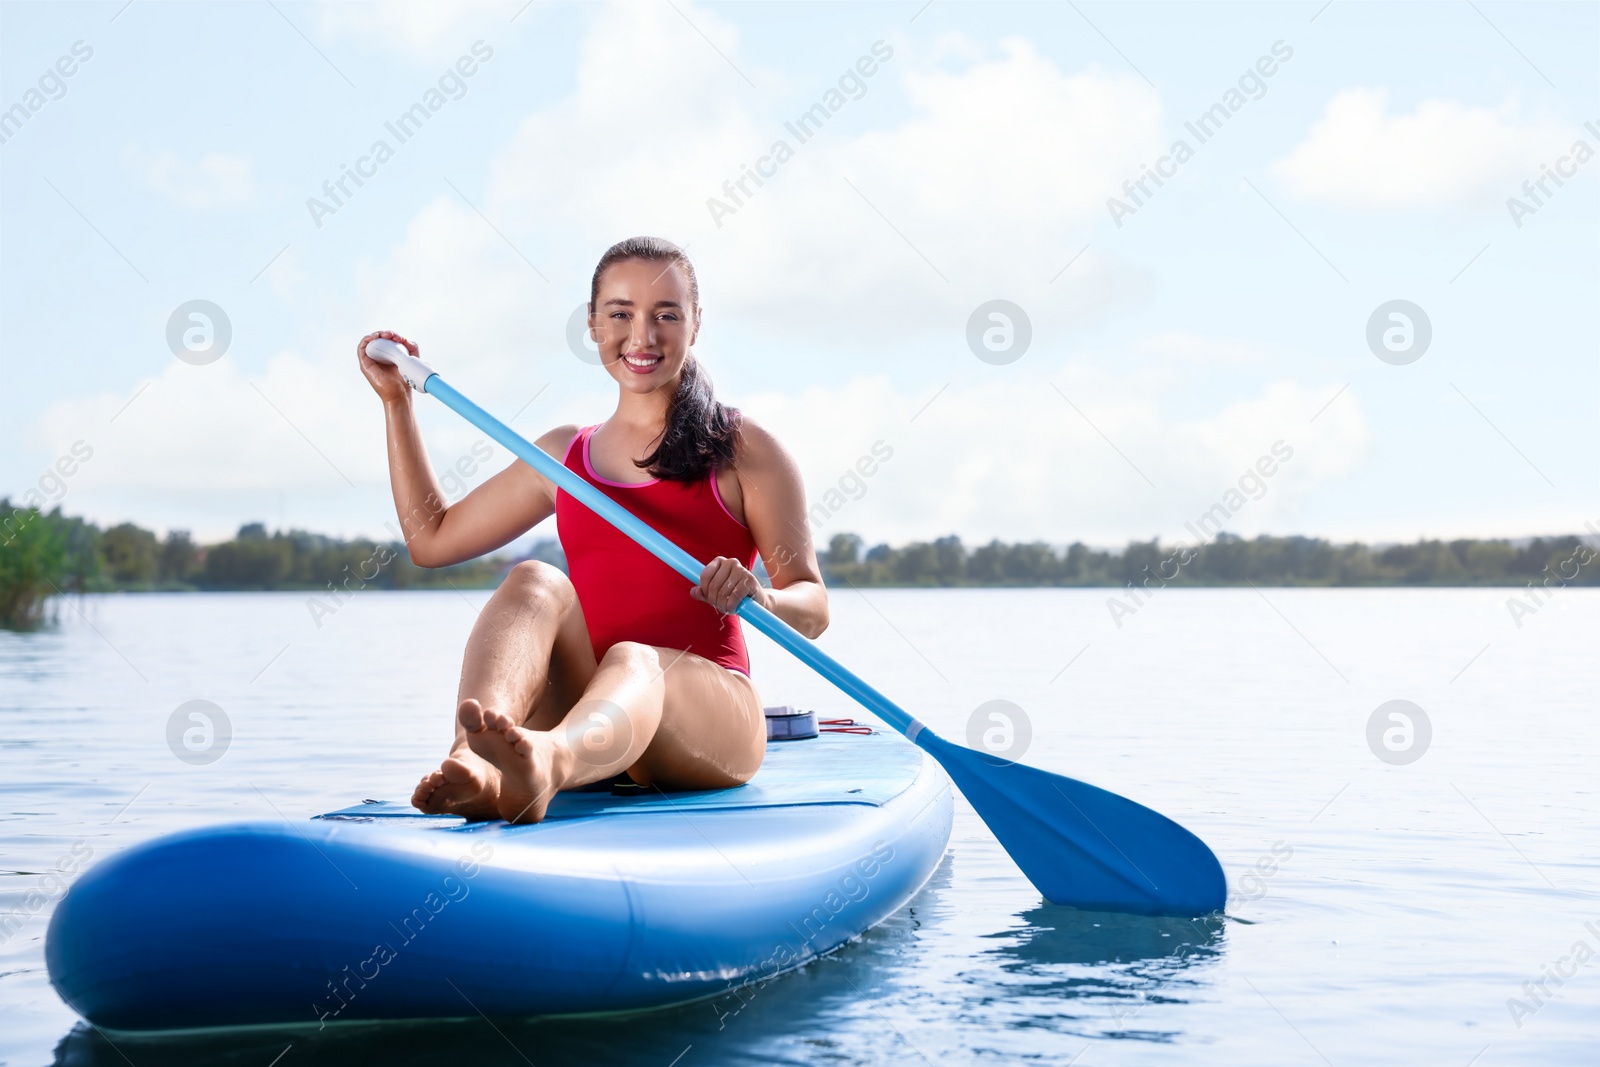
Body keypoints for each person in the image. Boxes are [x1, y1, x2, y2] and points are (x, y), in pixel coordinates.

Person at [357, 236, 828, 824]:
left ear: (695, 324)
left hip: (710, 716)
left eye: (666, 315)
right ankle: (474, 763)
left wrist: (762, 596)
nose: (642, 337)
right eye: (620, 314)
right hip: (592, 712)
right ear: (592, 324)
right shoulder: (562, 458)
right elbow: (431, 540)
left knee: (635, 659)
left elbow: (813, 607)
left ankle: (545, 764)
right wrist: (397, 405)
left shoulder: (744, 450)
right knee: (532, 580)